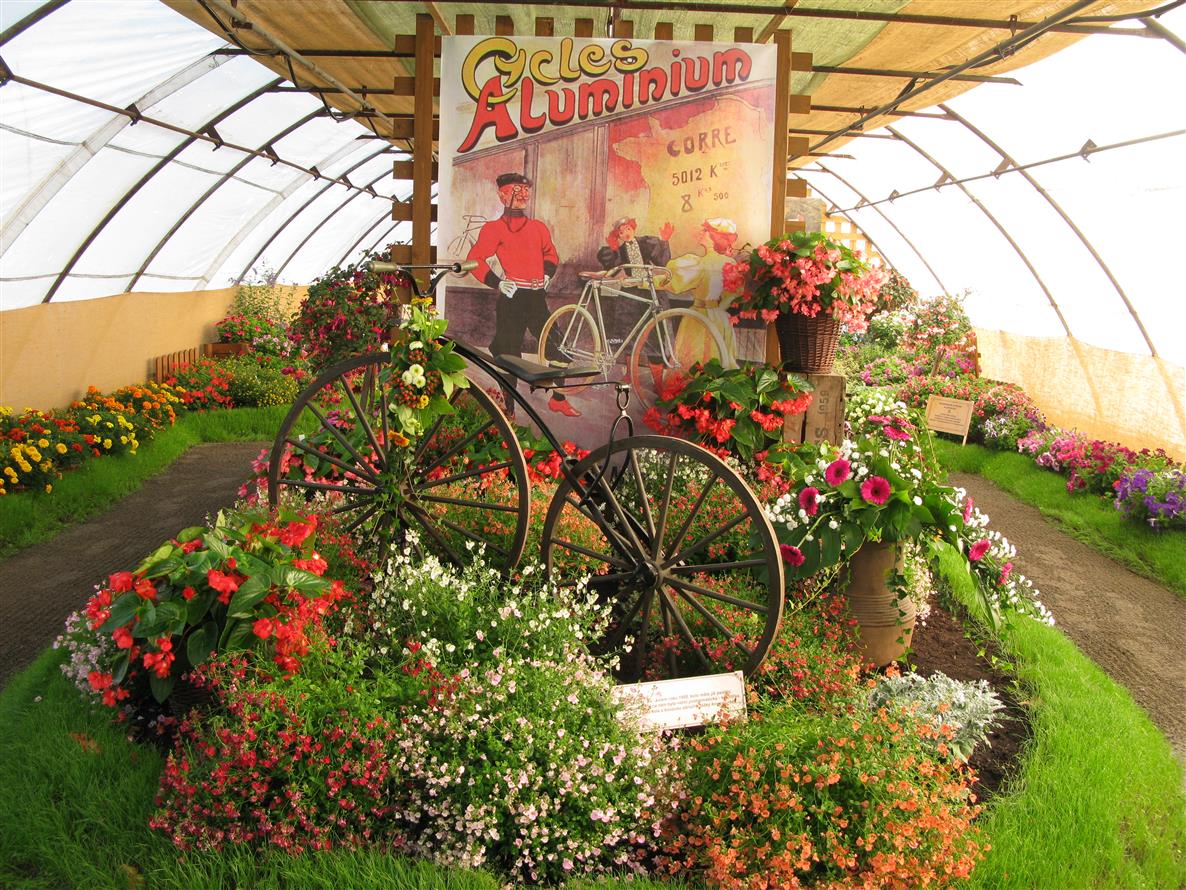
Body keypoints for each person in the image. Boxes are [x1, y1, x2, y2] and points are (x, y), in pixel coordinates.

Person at [465, 172, 578, 417]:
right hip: (512, 300)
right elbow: (474, 259)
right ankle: (509, 409)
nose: (523, 195)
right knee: (508, 353)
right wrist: (498, 283)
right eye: (516, 190)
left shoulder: (538, 227)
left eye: (526, 190)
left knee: (558, 346)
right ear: (502, 195)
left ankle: (558, 399)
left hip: (536, 299)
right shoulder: (494, 229)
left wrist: (547, 275)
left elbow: (551, 254)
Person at [596, 217, 674, 387]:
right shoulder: (618, 250)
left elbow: (663, 262)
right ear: (618, 235)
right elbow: (611, 268)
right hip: (630, 295)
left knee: (655, 336)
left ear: (633, 228)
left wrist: (664, 241)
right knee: (629, 335)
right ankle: (630, 375)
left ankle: (658, 383)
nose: (625, 233)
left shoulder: (646, 243)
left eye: (628, 229)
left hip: (650, 292)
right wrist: (613, 252)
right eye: (621, 232)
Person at [663, 218, 742, 370]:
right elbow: (734, 293)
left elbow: (672, 282)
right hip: (717, 317)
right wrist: (721, 310)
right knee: (710, 357)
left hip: (699, 316)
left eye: (706, 230)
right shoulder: (729, 263)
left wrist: (643, 282)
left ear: (714, 237)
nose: (701, 232)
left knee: (700, 357)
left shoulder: (700, 264)